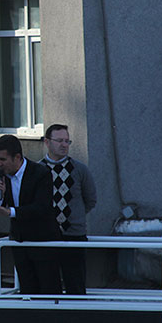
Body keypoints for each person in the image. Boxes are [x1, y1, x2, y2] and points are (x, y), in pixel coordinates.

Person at [0, 134, 61, 293]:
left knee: (49, 290)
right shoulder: (2, 175)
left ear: (17, 157)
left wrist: (9, 212)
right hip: (20, 243)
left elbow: (41, 208)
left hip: (43, 242)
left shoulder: (40, 173)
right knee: (27, 291)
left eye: (3, 159)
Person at [40, 123, 98, 294]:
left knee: (76, 284)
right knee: (48, 286)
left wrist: (74, 217)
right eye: (59, 140)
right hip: (46, 236)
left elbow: (91, 200)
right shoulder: (37, 169)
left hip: (74, 235)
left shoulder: (80, 169)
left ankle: (78, 318)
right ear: (47, 142)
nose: (64, 144)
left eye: (67, 141)